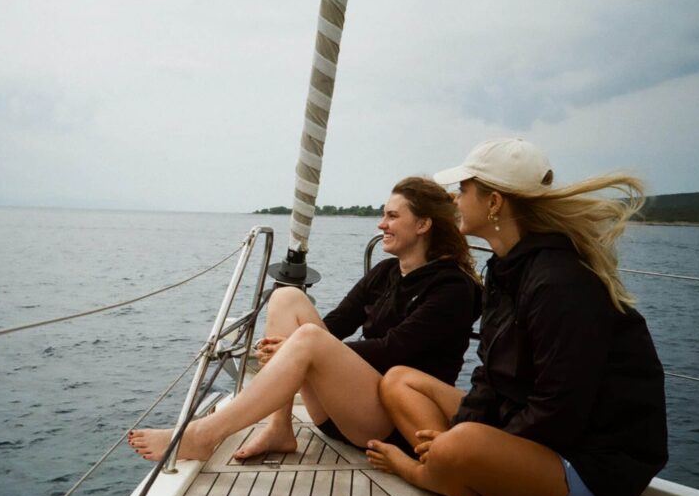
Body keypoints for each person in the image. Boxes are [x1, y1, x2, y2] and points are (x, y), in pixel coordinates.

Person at [366, 138, 668, 496]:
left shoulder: (560, 282)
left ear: (494, 202)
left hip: (586, 472)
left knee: (462, 443)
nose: (455, 200)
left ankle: (423, 473)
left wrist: (472, 448)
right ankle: (463, 482)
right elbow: (491, 376)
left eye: (464, 190)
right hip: (534, 439)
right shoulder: (506, 270)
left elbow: (560, 412)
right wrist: (465, 439)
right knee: (399, 380)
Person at [128, 177, 481, 462]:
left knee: (309, 338)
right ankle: (279, 428)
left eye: (392, 216)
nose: (381, 223)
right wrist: (293, 348)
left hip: (394, 424)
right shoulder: (386, 272)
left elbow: (394, 350)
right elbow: (337, 324)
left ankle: (203, 435)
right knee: (286, 297)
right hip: (346, 414)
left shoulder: (453, 288)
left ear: (423, 224)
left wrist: (299, 347)